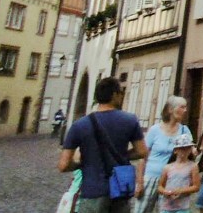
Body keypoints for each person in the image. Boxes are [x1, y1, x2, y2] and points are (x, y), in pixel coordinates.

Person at [58, 77, 148, 213]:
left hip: (92, 190)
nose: (122, 96)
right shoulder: (130, 120)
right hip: (120, 189)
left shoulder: (79, 125)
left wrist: (82, 162)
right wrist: (122, 155)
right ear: (114, 94)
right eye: (121, 93)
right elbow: (142, 151)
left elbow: (63, 165)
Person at [134, 96, 191, 213]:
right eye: (182, 107)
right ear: (170, 109)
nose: (185, 110)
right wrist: (139, 182)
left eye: (185, 107)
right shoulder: (155, 130)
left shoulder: (184, 131)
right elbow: (142, 157)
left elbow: (190, 154)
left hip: (171, 181)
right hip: (151, 177)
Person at [157, 133, 200, 213]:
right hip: (166, 206)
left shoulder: (193, 166)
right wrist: (165, 192)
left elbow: (196, 186)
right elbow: (160, 186)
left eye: (187, 148)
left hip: (182, 207)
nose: (184, 151)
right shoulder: (167, 167)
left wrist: (180, 191)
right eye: (181, 148)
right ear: (175, 150)